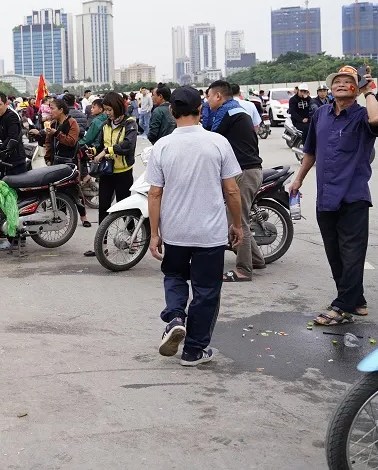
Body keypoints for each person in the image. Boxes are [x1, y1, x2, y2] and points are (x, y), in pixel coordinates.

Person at [147, 86, 243, 367]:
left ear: (171, 111)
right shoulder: (217, 142)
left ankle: (175, 317)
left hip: (176, 231)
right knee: (206, 291)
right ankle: (194, 351)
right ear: (201, 110)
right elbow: (232, 191)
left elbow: (154, 193)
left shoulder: (162, 146)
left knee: (175, 276)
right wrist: (237, 224)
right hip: (209, 233)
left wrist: (154, 234)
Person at [289, 65, 378, 325]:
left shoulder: (363, 114)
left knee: (352, 253)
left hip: (353, 196)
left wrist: (369, 92)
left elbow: (377, 121)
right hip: (327, 196)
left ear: (355, 88)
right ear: (330, 88)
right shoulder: (320, 115)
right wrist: (298, 179)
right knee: (334, 253)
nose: (341, 84)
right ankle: (356, 299)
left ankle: (342, 307)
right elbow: (311, 151)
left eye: (348, 81)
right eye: (337, 81)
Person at [203, 80, 265, 283]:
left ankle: (244, 270)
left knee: (238, 220)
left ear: (218, 96)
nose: (207, 100)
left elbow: (211, 138)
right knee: (238, 217)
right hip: (248, 170)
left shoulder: (227, 114)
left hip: (244, 172)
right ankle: (256, 259)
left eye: (209, 96)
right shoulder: (236, 110)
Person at [43, 98, 92, 229]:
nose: (50, 111)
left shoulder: (71, 122)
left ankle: (83, 217)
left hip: (70, 162)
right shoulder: (52, 124)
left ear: (61, 110)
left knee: (74, 189)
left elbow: (71, 141)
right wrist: (48, 157)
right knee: (57, 189)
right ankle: (61, 216)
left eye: (52, 108)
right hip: (56, 161)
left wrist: (57, 134)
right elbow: (48, 142)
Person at [92, 92, 138, 223]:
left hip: (123, 173)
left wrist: (107, 150)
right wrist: (94, 151)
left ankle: (132, 238)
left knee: (125, 209)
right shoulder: (105, 125)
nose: (107, 113)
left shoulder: (130, 124)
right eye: (105, 110)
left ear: (118, 107)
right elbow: (100, 145)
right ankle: (102, 242)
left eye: (109, 110)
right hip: (106, 172)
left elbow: (128, 145)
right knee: (103, 207)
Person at [0, 91, 27, 176]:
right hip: (3, 160)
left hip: (15, 162)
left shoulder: (11, 116)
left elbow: (12, 138)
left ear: (6, 104)